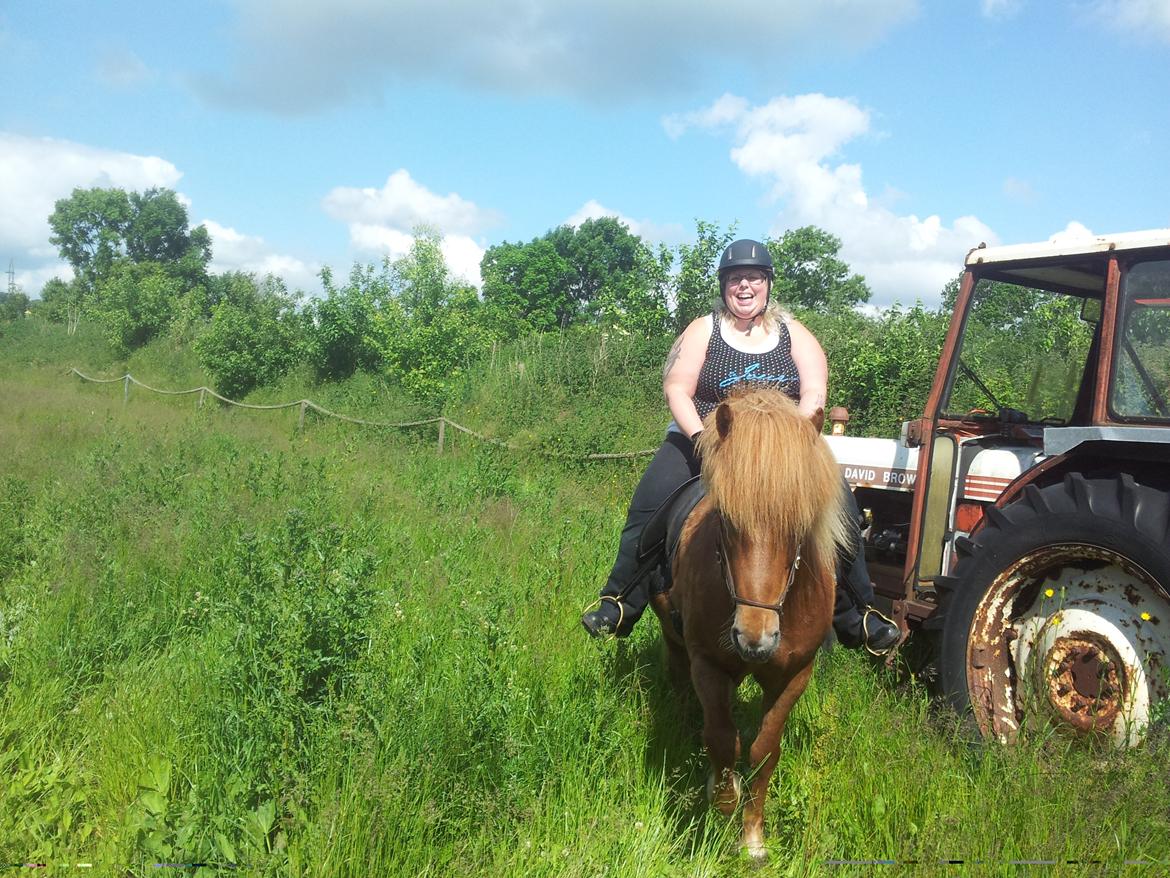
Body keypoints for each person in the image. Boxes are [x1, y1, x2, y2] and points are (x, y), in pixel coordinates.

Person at [581, 239, 901, 654]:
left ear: (768, 283)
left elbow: (815, 389)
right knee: (649, 505)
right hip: (705, 438)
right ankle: (619, 600)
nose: (744, 286)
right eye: (735, 278)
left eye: (753, 277)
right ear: (724, 285)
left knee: (841, 506)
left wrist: (797, 438)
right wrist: (701, 437)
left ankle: (857, 614)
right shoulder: (703, 330)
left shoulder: (794, 333)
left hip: (779, 449)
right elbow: (677, 388)